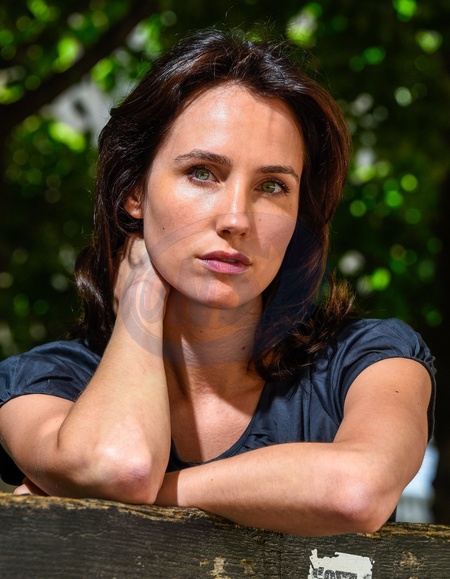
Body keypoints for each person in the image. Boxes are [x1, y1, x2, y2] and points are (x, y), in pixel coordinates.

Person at [0, 29, 435, 537]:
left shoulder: (368, 360)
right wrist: (142, 288)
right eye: (203, 173)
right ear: (134, 191)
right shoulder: (45, 381)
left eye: (272, 186)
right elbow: (120, 468)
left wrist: (150, 497)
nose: (236, 219)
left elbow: (356, 489)